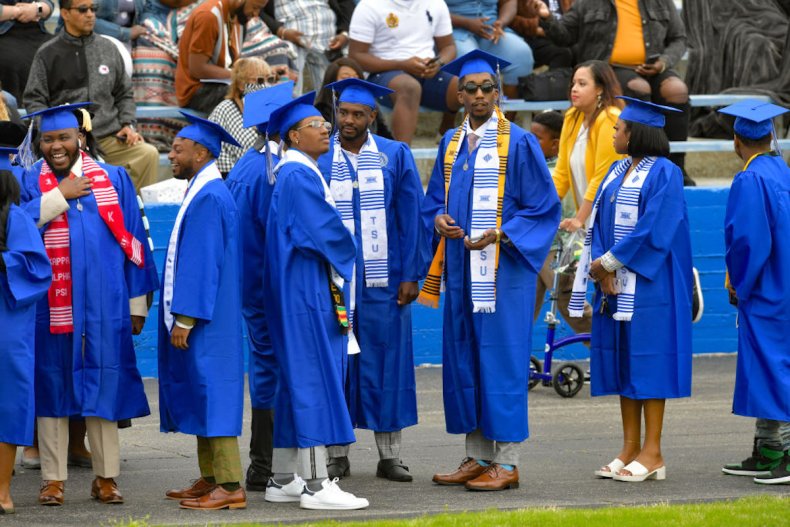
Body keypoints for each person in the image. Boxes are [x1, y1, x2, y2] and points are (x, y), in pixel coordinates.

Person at [423, 50, 560, 491]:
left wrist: (500, 233)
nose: (479, 95)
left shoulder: (518, 143)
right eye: (471, 89)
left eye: (487, 88)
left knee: (500, 359)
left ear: (498, 93)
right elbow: (432, 203)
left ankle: (508, 461)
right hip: (462, 269)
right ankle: (477, 455)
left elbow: (544, 208)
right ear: (459, 94)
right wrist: (438, 219)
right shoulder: (450, 142)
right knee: (465, 360)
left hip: (503, 273)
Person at [21, 103, 158, 505]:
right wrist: (58, 196)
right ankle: (53, 479)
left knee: (104, 382)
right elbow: (18, 226)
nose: (56, 146)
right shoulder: (32, 181)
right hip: (52, 306)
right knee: (52, 384)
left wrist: (136, 305)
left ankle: (106, 477)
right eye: (47, 139)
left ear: (80, 138)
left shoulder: (113, 177)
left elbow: (133, 240)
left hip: (105, 303)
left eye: (63, 137)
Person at [571, 96, 692, 482]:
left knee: (649, 362)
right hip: (615, 286)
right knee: (626, 361)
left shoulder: (666, 173)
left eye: (620, 128)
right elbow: (599, 224)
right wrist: (601, 271)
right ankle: (629, 447)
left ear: (636, 133)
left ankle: (653, 451)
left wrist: (610, 262)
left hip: (652, 286)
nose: (614, 131)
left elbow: (656, 226)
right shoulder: (615, 170)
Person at [317, 78, 429, 482]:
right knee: (337, 365)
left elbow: (411, 217)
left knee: (388, 363)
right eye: (343, 112)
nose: (348, 120)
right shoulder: (319, 156)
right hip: (334, 283)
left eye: (357, 114)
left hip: (385, 282)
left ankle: (390, 456)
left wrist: (411, 273)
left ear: (371, 116)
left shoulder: (394, 155)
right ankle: (336, 454)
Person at [262, 93, 368, 510]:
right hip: (305, 290)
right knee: (312, 380)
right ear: (293, 135)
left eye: (326, 122)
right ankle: (315, 484)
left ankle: (283, 477)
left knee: (296, 382)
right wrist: (352, 246)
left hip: (297, 286)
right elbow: (326, 232)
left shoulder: (293, 172)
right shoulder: (298, 176)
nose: (326, 127)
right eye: (316, 124)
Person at [158, 114, 247, 510]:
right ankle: (210, 478)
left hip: (207, 320)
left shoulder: (210, 195)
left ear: (202, 152)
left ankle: (229, 485)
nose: (170, 155)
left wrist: (185, 318)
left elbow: (202, 261)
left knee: (214, 394)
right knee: (202, 390)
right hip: (211, 316)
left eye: (178, 149)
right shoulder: (204, 188)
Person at [532, 0, 693, 184]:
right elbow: (565, 35)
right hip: (611, 69)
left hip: (655, 66)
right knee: (639, 88)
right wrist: (547, 17)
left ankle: (678, 168)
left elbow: (679, 38)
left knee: (677, 90)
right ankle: (642, 166)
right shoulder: (588, 3)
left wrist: (663, 61)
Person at [224, 80, 294, 493]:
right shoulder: (271, 173)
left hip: (250, 287)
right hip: (271, 288)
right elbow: (279, 234)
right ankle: (267, 464)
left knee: (265, 369)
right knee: (276, 370)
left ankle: (261, 464)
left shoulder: (246, 166)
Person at [718, 100, 790, 485]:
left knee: (774, 369)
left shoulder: (750, 179)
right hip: (784, 282)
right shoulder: (781, 170)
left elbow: (749, 243)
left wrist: (738, 282)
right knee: (769, 368)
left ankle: (787, 454)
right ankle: (769, 449)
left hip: (766, 289)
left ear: (736, 140)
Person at [23, 0, 160, 193]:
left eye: (93, 9)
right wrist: (54, 133)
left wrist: (127, 124)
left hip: (109, 137)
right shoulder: (47, 53)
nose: (90, 14)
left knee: (148, 154)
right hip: (67, 141)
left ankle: (131, 212)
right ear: (65, 14)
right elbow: (34, 99)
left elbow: (124, 93)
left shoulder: (109, 48)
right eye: (82, 9)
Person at [536, 60, 623, 332]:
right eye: (573, 83)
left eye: (582, 84)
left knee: (608, 292)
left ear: (600, 89)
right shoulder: (572, 118)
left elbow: (602, 176)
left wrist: (579, 218)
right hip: (586, 224)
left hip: (608, 218)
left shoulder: (609, 118)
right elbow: (561, 172)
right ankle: (600, 350)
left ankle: (611, 353)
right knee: (567, 293)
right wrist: (539, 211)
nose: (574, 89)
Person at [0, 170, 52, 515]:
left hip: (6, 323)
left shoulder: (15, 217)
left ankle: (2, 490)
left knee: (6, 406)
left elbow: (38, 268)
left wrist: (3, 260)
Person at [348, 0, 461, 145]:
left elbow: (449, 46)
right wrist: (402, 64)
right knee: (409, 87)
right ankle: (401, 158)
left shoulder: (435, 3)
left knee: (468, 86)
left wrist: (438, 64)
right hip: (384, 71)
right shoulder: (369, 5)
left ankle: (480, 150)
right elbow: (356, 56)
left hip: (427, 70)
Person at [174, 0, 268, 112]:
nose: (256, 14)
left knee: (269, 93)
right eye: (255, 7)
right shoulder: (208, 15)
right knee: (254, 100)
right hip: (197, 91)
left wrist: (260, 73)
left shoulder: (238, 17)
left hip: (222, 83)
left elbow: (230, 64)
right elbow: (197, 69)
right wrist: (240, 75)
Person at [261, 0, 355, 95]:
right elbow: (254, 8)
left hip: (330, 40)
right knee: (290, 92)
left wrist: (345, 33)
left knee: (331, 94)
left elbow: (346, 4)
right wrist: (280, 31)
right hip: (289, 38)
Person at [446, 0, 534, 100]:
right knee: (471, 63)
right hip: (454, 30)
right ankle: (460, 113)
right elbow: (431, 9)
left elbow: (509, 2)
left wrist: (501, 22)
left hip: (491, 30)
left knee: (521, 54)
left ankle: (507, 114)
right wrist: (467, 23)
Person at [207, 57, 276, 177]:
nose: (266, 85)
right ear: (241, 85)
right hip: (236, 180)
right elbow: (217, 157)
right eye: (259, 81)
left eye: (269, 80)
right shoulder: (224, 110)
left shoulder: (274, 108)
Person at [315, 57, 393, 140]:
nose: (352, 82)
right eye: (345, 78)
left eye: (356, 78)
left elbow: (384, 134)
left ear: (372, 116)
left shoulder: (370, 106)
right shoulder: (320, 111)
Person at [0, 0, 54, 102]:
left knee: (63, 50)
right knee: (12, 60)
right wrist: (17, 11)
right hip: (4, 34)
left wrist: (36, 9)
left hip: (37, 32)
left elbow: (48, 5)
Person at [508, 0, 573, 70]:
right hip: (534, 37)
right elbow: (510, 19)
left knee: (578, 48)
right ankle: (555, 79)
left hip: (561, 33)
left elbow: (573, 16)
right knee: (563, 53)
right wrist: (535, 29)